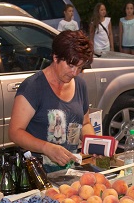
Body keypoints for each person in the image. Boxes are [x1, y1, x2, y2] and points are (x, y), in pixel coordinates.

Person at [9, 30, 95, 173]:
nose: (75, 73)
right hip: (37, 174)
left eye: (80, 67)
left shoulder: (80, 85)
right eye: (71, 66)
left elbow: (85, 123)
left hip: (70, 173)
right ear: (55, 58)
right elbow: (15, 132)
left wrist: (93, 143)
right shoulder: (33, 87)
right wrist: (46, 147)